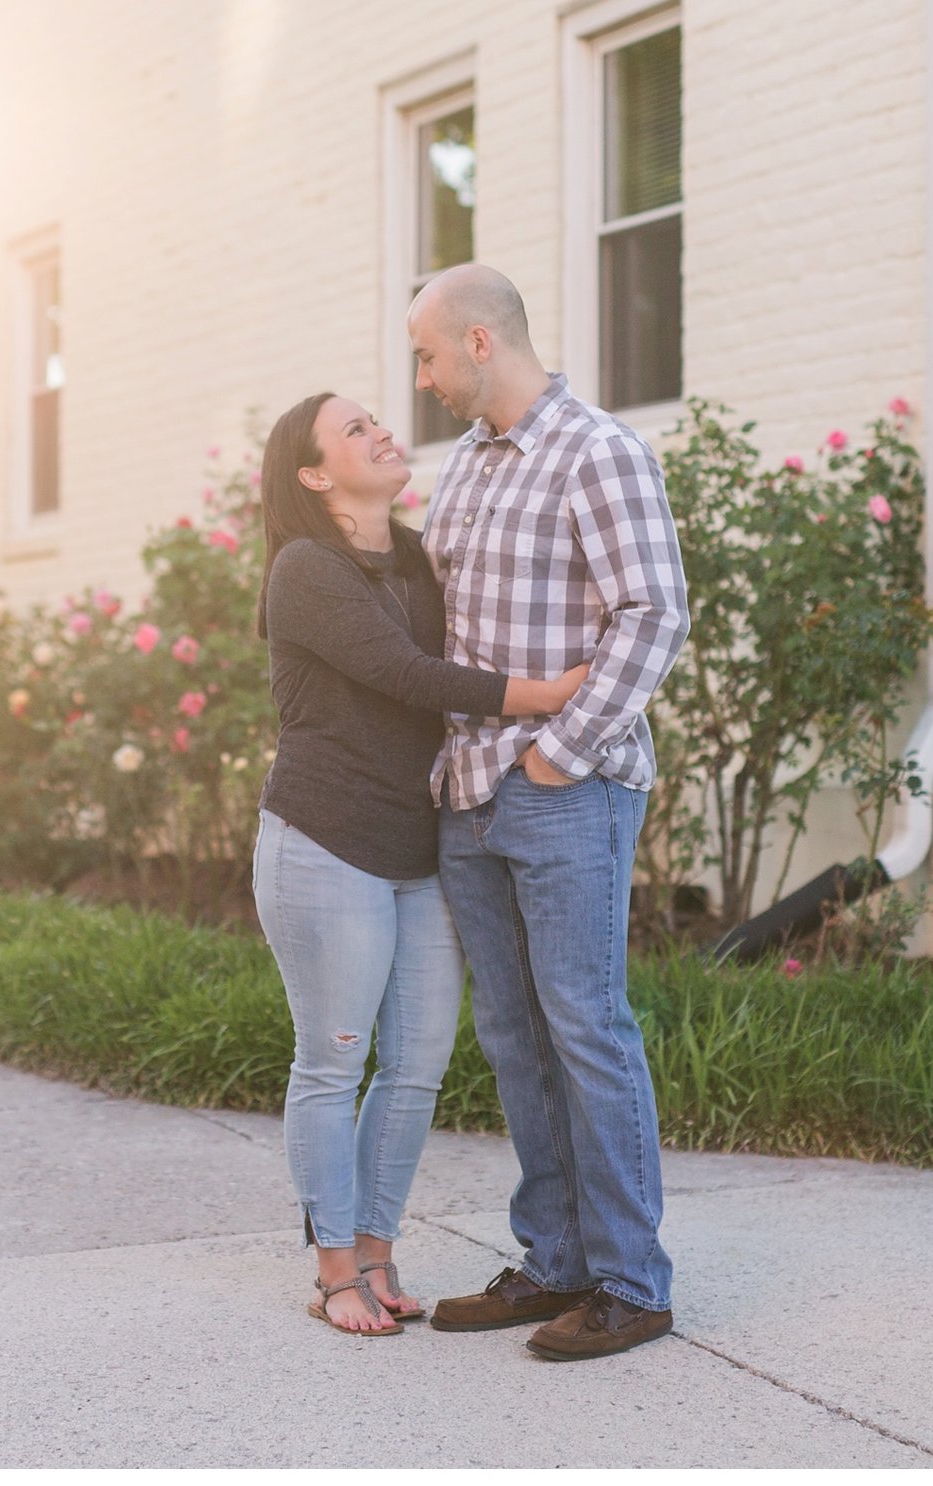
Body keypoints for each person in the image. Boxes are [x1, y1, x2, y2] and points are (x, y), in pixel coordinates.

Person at [252, 390, 588, 1337]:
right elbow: (409, 674)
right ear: (316, 475)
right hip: (324, 843)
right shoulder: (305, 570)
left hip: (416, 844)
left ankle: (377, 1250)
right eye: (354, 430)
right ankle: (331, 1271)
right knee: (334, 1060)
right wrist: (550, 695)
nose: (381, 431)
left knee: (418, 1067)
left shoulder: (412, 556)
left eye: (374, 420)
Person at [408, 262, 692, 1363]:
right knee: (514, 1036)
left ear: (481, 342)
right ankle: (556, 1260)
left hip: (562, 789)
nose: (421, 378)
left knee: (586, 1025)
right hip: (466, 792)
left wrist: (559, 758)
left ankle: (632, 1282)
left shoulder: (598, 451)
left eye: (428, 353)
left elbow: (652, 613)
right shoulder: (466, 468)